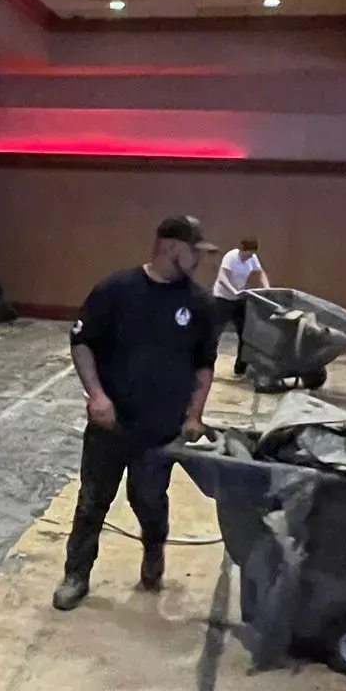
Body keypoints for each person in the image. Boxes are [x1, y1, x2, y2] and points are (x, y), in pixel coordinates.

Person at [53, 216, 219, 611]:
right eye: (193, 250)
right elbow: (82, 342)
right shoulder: (116, 291)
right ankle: (76, 574)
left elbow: (204, 364)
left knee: (148, 500)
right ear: (169, 247)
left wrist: (195, 414)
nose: (198, 258)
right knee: (92, 502)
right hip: (110, 425)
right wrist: (96, 395)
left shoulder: (199, 304)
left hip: (160, 430)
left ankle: (154, 550)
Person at [210, 235, 269, 376]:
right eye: (247, 254)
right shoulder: (231, 257)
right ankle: (206, 366)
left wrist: (267, 288)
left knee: (245, 334)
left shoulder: (253, 259)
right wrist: (233, 291)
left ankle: (240, 369)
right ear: (242, 250)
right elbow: (222, 277)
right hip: (223, 298)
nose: (249, 257)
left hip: (239, 299)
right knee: (214, 334)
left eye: (252, 254)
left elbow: (261, 273)